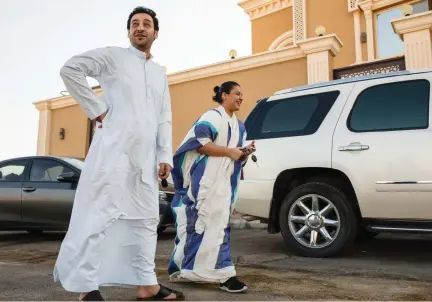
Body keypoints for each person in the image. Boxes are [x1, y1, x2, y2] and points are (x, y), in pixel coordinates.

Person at [53, 6, 184, 301]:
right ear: (129, 31)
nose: (140, 27)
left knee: (146, 219)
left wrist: (165, 155)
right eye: (135, 23)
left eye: (146, 24)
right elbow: (70, 69)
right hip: (112, 154)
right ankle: (87, 288)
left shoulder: (159, 73)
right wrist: (97, 110)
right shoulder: (114, 57)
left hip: (145, 160)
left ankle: (146, 284)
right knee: (100, 216)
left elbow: (164, 115)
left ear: (156, 33)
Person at [167, 81, 256, 293]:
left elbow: (236, 153)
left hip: (224, 183)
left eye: (242, 94)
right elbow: (198, 144)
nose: (241, 97)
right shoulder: (211, 117)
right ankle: (217, 274)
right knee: (199, 224)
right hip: (205, 182)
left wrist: (244, 152)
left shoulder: (240, 125)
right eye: (237, 93)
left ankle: (200, 271)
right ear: (224, 95)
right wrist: (229, 152)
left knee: (219, 225)